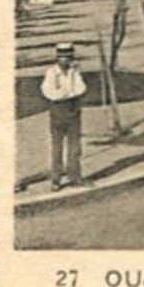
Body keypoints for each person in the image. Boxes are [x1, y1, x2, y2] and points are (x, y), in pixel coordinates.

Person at [40, 42, 89, 190]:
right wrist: (69, 92)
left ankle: (75, 177)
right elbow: (50, 94)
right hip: (58, 112)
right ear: (57, 58)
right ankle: (56, 180)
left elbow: (82, 88)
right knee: (57, 147)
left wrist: (67, 92)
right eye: (63, 57)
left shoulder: (74, 72)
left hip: (73, 111)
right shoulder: (51, 73)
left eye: (69, 57)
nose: (66, 60)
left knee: (75, 147)